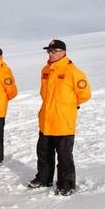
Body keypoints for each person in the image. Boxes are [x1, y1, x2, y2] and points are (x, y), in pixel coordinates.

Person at [28, 39, 91, 196]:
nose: (50, 53)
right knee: (43, 153)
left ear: (63, 52)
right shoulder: (45, 70)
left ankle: (66, 185)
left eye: (54, 51)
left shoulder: (74, 72)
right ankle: (44, 179)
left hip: (63, 122)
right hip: (46, 120)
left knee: (64, 156)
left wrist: (69, 106)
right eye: (48, 51)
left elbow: (85, 95)